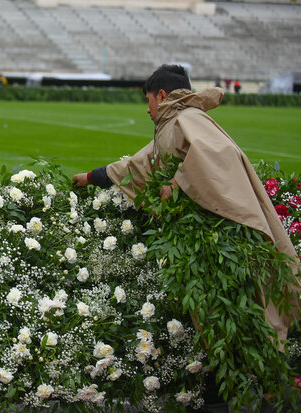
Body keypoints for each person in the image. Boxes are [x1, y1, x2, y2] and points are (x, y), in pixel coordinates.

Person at [73, 63, 301, 409]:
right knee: (217, 314)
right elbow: (140, 165)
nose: (147, 110)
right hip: (208, 238)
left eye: (148, 101)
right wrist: (92, 177)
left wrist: (179, 182)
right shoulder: (173, 123)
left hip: (225, 234)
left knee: (237, 308)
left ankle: (260, 389)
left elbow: (216, 156)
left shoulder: (184, 120)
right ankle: (236, 386)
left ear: (162, 96)